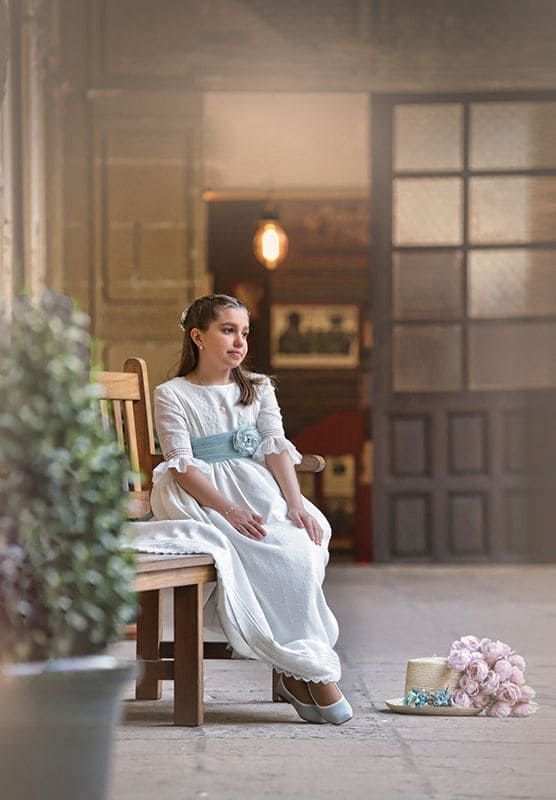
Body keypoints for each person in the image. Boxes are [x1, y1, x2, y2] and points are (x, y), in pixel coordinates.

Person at [131, 294, 352, 725]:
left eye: (244, 333)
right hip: (202, 494)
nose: (239, 342)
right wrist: (229, 510)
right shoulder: (172, 394)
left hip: (260, 489)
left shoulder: (257, 388)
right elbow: (180, 465)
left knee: (300, 548)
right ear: (198, 336)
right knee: (267, 551)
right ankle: (308, 671)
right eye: (228, 331)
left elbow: (275, 448)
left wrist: (295, 505)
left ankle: (300, 667)